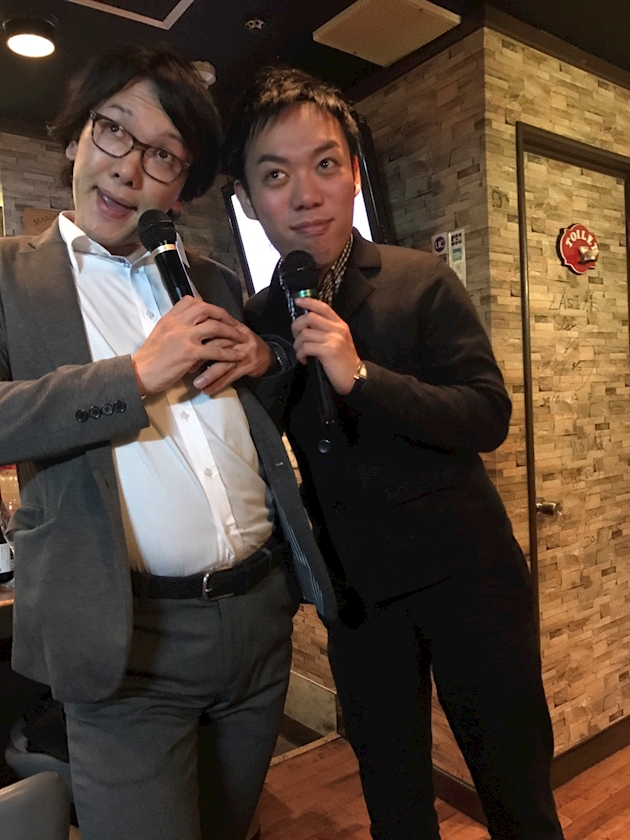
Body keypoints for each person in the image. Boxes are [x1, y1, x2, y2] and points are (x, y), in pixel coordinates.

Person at [0, 47, 336, 840]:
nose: (128, 167)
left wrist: (267, 359)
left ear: (179, 188)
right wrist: (136, 374)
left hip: (259, 618)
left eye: (162, 155)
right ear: (76, 137)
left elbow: (262, 399)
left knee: (232, 826)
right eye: (113, 130)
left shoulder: (212, 280)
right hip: (127, 645)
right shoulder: (11, 276)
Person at [224, 67, 565, 840]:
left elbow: (487, 415)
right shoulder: (257, 318)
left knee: (516, 791)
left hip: (469, 580)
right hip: (358, 599)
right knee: (394, 804)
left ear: (352, 172)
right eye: (275, 175)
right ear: (246, 198)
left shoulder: (421, 280)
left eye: (324, 163)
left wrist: (362, 377)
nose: (305, 194)